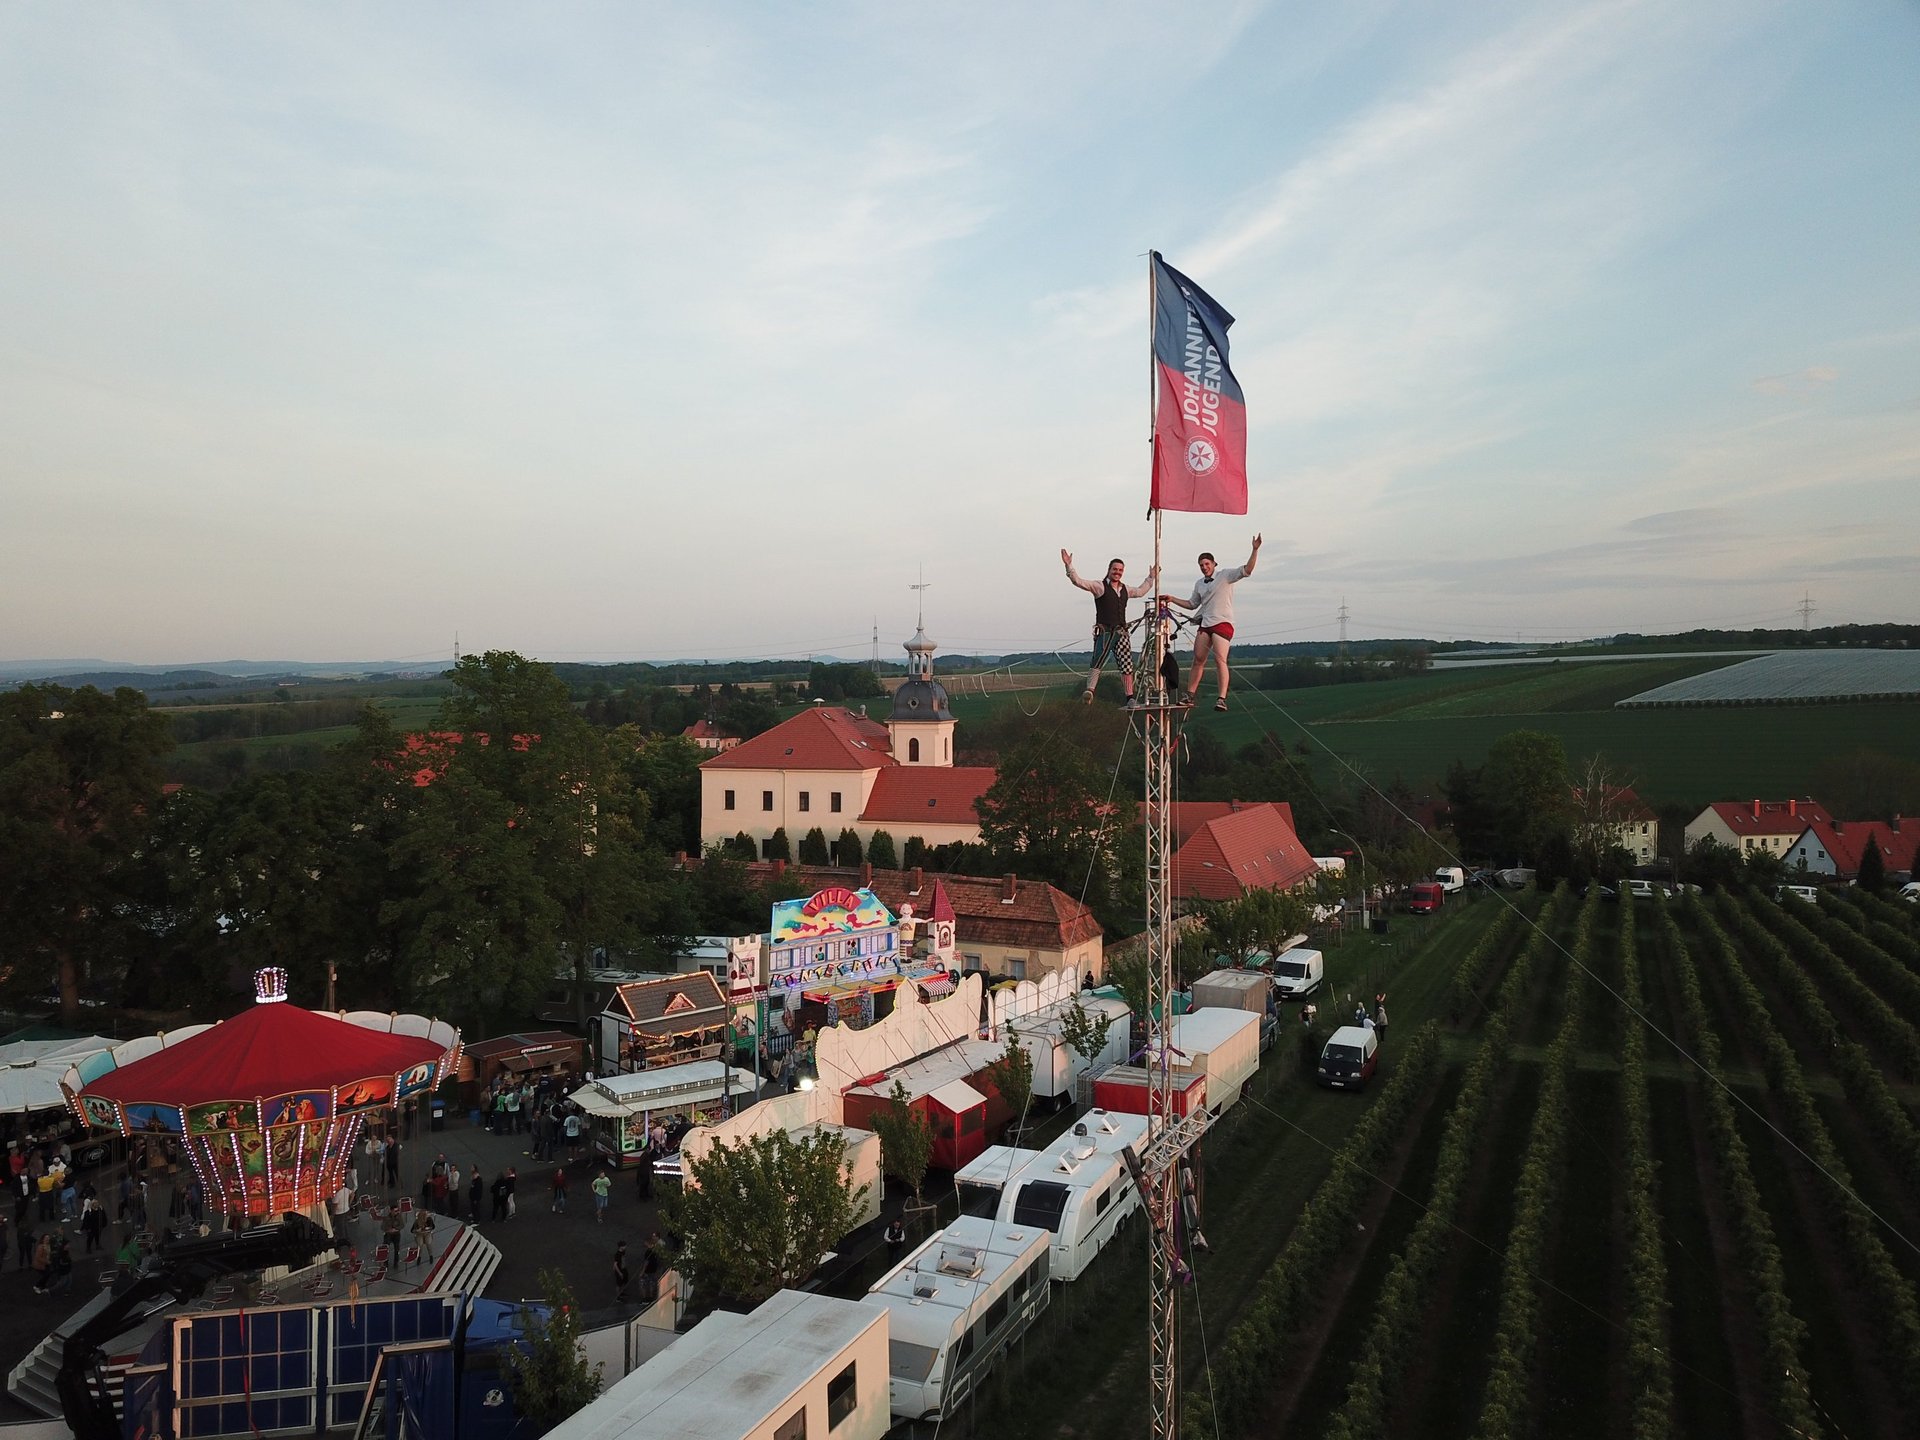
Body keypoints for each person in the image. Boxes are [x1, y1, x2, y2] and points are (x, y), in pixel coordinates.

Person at [1164, 535, 1261, 710]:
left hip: (1223, 622)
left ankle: (1222, 698)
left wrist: (1254, 549)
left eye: (1207, 564)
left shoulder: (1225, 575)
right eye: (1201, 565)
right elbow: (1192, 604)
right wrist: (1172, 599)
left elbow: (1247, 570)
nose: (1204, 567)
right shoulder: (1199, 583)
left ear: (1214, 564)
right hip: (1206, 623)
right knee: (1198, 659)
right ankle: (1190, 695)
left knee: (1220, 660)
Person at [1061, 551, 1159, 706]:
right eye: (1115, 569)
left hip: (1121, 632)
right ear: (1109, 569)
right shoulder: (1099, 586)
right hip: (1105, 632)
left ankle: (1130, 698)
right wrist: (1069, 565)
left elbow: (1141, 591)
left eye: (1120, 570)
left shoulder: (1126, 589)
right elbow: (1078, 581)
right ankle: (1090, 691)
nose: (1117, 572)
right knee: (1098, 660)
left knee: (1126, 665)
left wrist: (1151, 577)